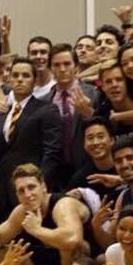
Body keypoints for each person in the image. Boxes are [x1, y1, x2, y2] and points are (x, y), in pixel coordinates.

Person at [0, 58, 62, 216]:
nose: (20, 79)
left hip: (33, 190)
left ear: (35, 80)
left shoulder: (47, 110)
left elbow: (52, 153)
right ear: (9, 79)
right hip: (5, 191)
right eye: (15, 75)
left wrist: (39, 186)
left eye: (25, 75)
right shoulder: (0, 115)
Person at [0, 164, 85, 265]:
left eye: (31, 187)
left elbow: (72, 240)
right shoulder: (21, 211)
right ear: (17, 196)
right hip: (51, 256)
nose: (27, 195)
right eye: (21, 191)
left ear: (43, 187)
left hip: (83, 260)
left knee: (67, 248)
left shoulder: (63, 205)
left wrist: (36, 230)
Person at [47, 43, 100, 178]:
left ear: (76, 66)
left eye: (67, 64)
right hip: (55, 169)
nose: (62, 69)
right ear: (50, 69)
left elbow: (106, 126)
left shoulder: (94, 93)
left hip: (87, 164)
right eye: (56, 65)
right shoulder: (44, 100)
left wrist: (88, 113)